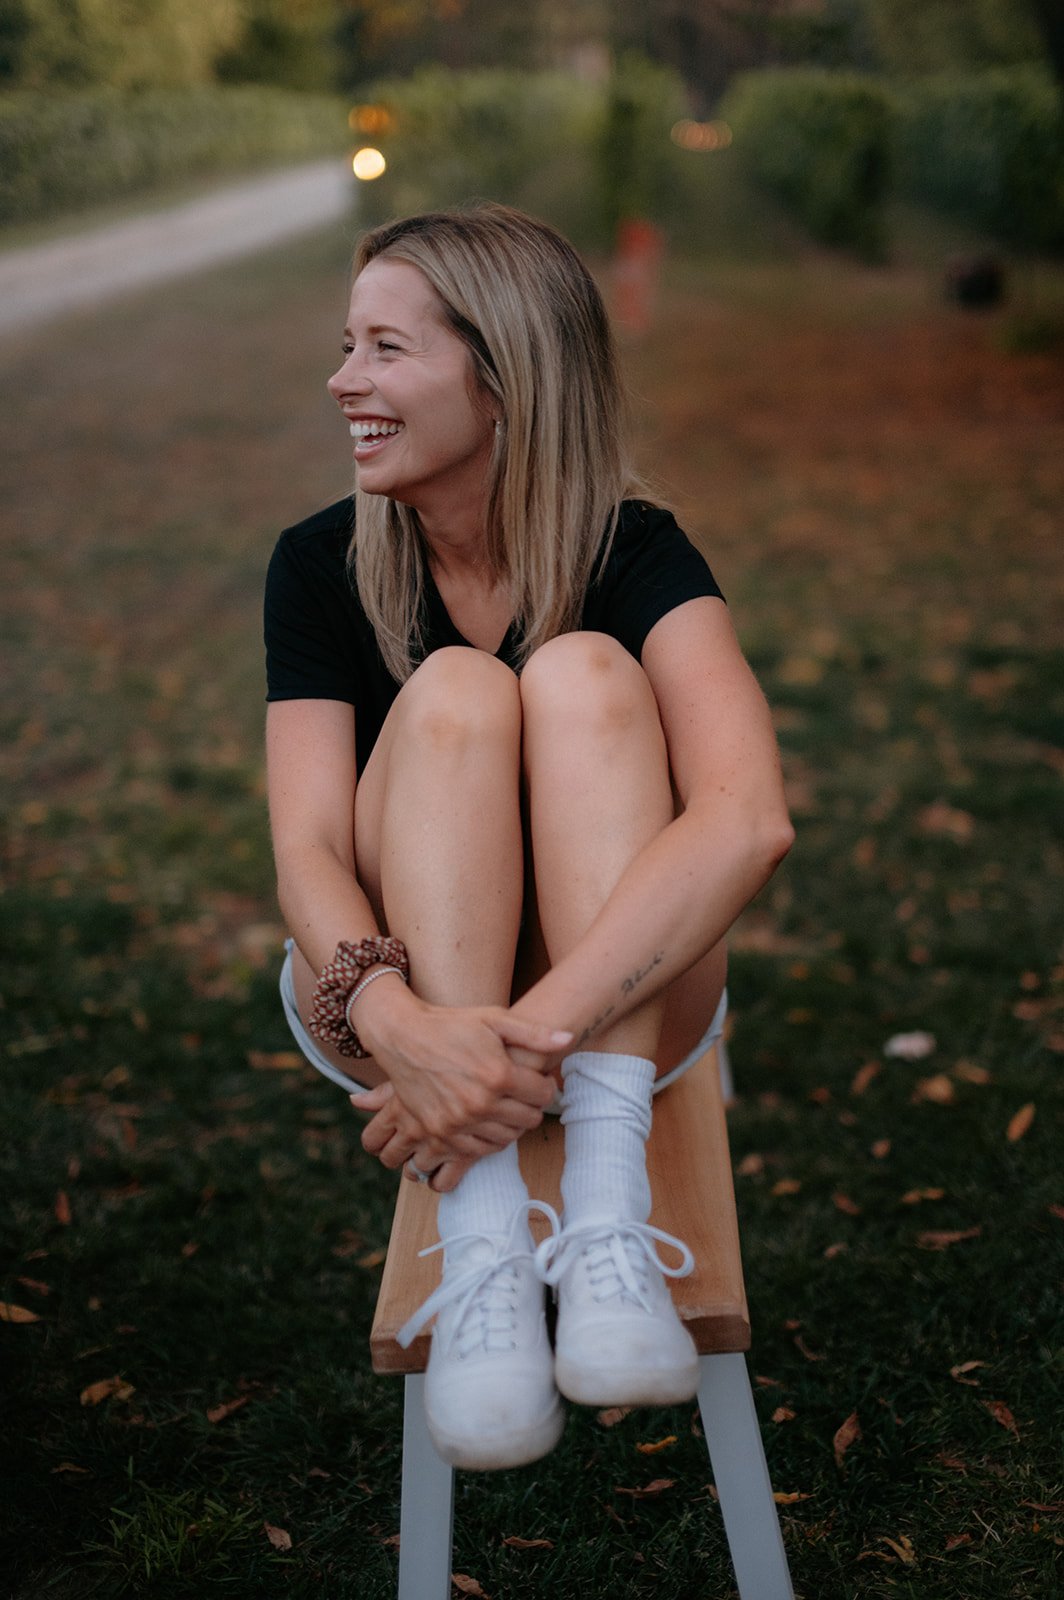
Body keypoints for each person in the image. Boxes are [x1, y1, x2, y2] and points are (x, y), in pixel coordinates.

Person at [264, 203, 793, 1473]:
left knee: (584, 674)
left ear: (499, 376)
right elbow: (306, 858)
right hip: (380, 985)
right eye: (348, 346)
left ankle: (604, 1222)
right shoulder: (320, 564)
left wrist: (506, 1052)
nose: (345, 381)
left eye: (385, 349)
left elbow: (747, 815)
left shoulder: (637, 551)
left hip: (619, 1006)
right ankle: (489, 1233)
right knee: (455, 692)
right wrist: (401, 1031)